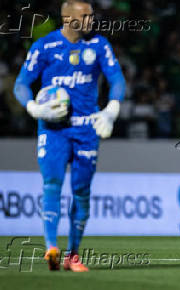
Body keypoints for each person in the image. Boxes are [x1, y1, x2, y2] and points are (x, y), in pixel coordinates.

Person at [13, 0, 125, 271]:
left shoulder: (99, 45)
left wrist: (111, 109)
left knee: (81, 191)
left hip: (87, 129)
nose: (91, 20)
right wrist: (33, 107)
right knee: (52, 183)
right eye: (85, 15)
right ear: (67, 18)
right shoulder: (45, 46)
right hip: (53, 129)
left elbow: (117, 79)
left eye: (91, 15)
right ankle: (51, 247)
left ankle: (72, 255)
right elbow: (21, 83)